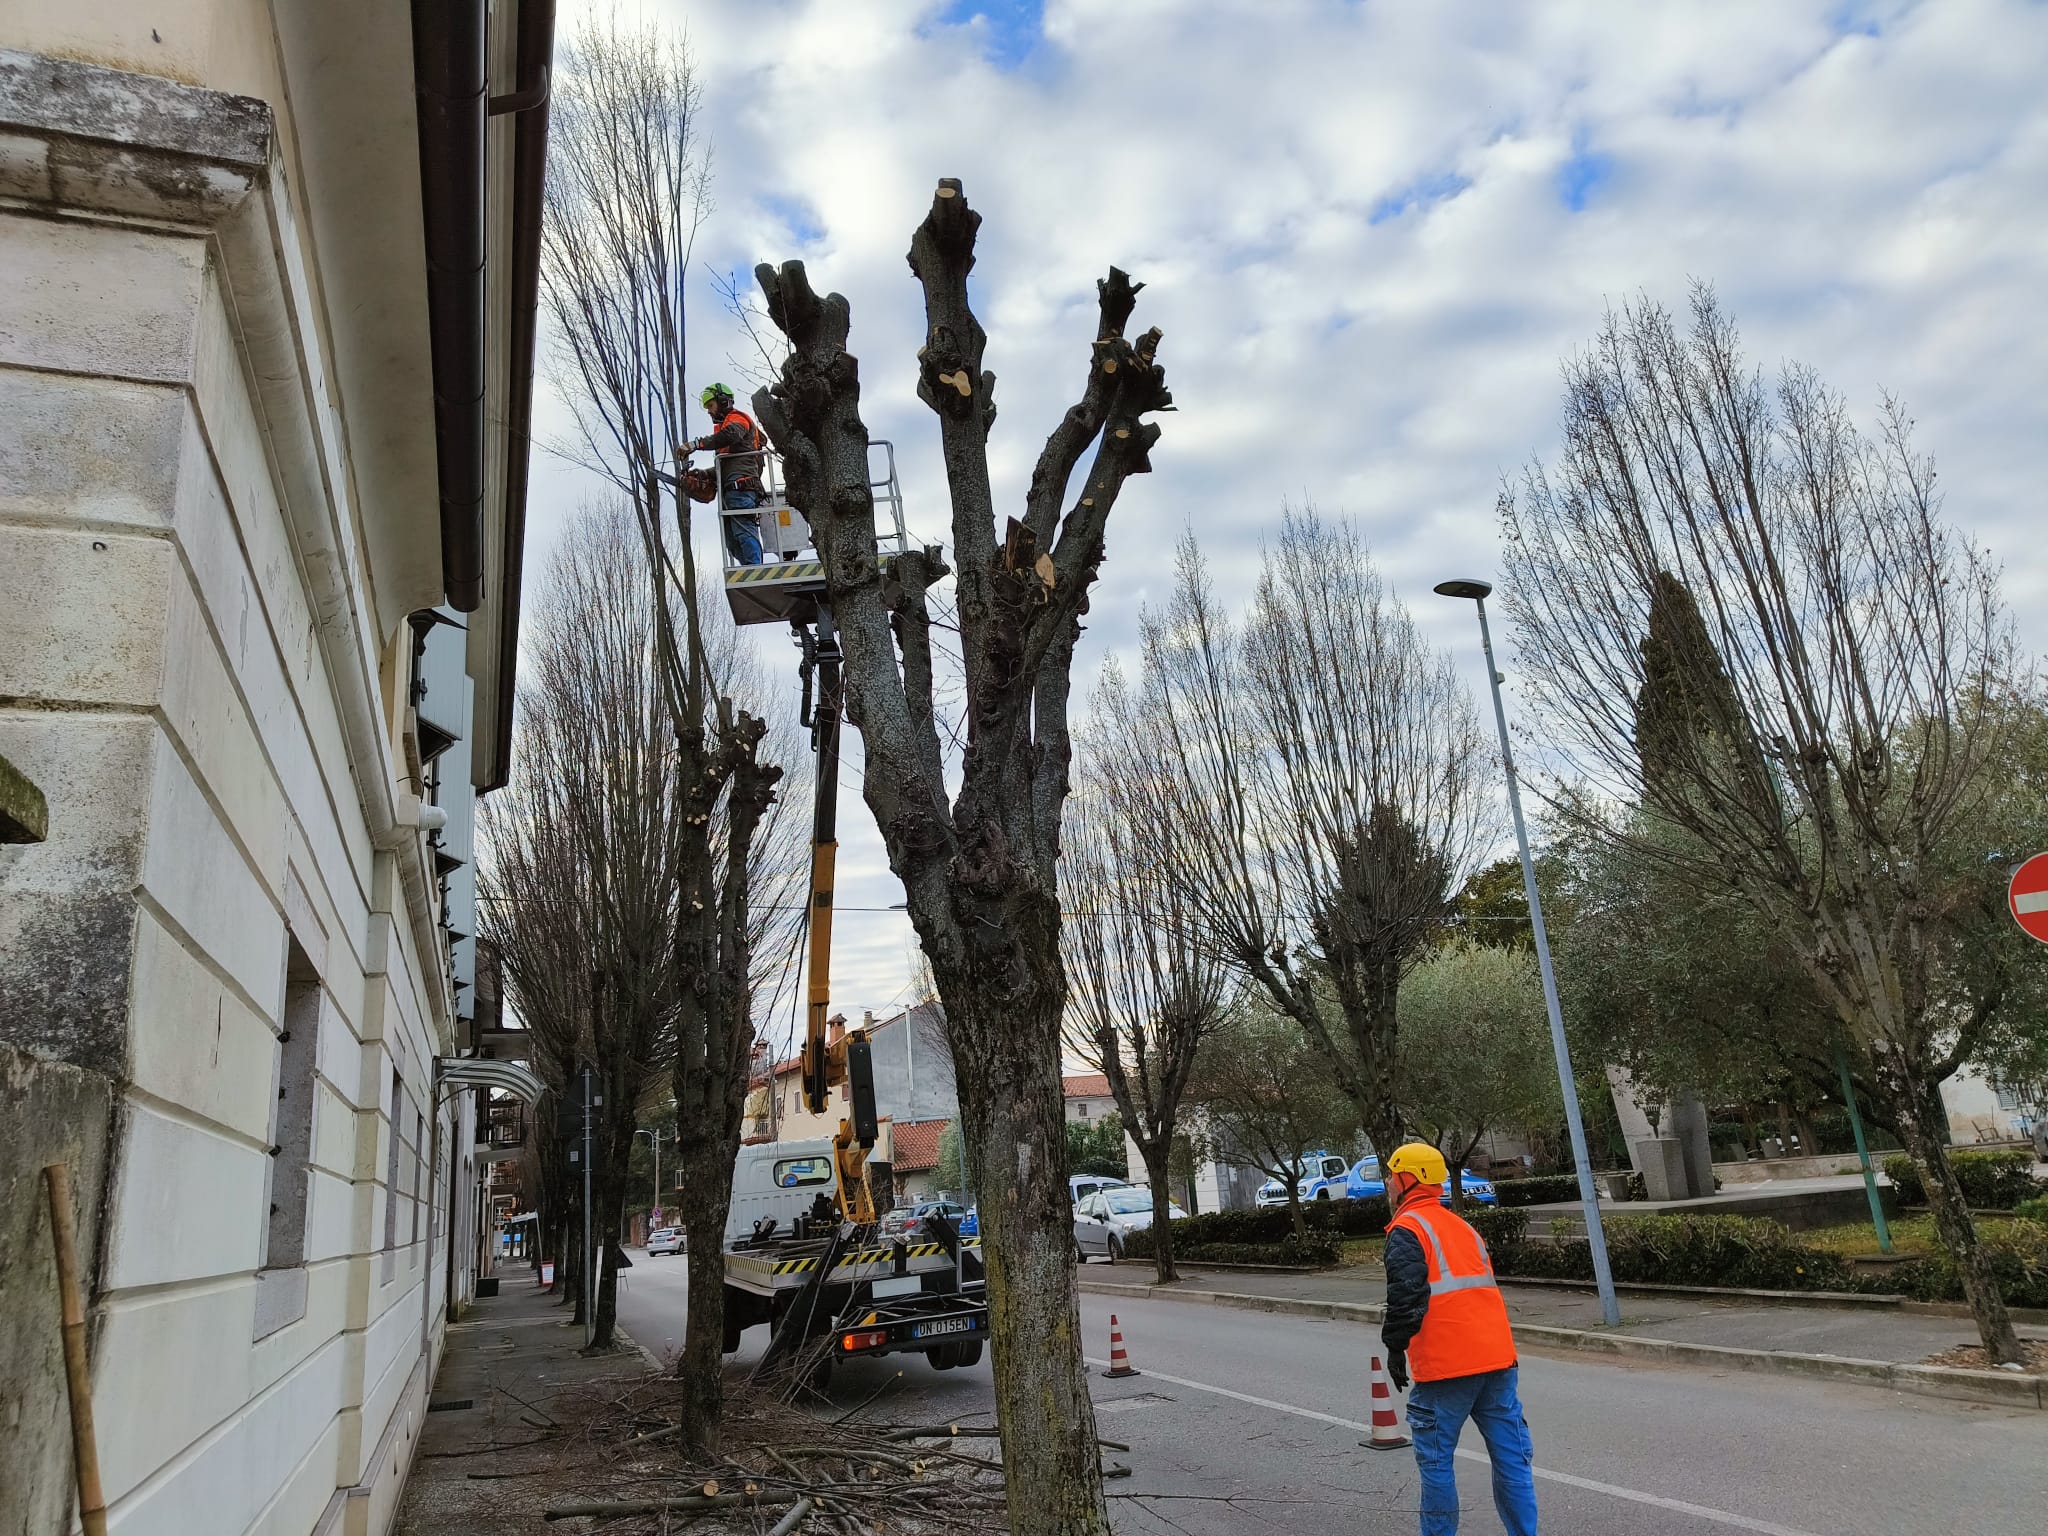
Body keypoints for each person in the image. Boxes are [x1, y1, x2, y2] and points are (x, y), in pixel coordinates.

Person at [1380, 1142, 1537, 1536]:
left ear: (1406, 1180)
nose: (1386, 1182)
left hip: (1446, 1369)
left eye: (1390, 1174)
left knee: (1436, 1465)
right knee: (1513, 1461)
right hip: (1498, 1361)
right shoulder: (1463, 1226)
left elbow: (1406, 1295)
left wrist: (1395, 1346)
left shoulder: (1408, 1228)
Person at [690, 382, 766, 565]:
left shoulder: (737, 419)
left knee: (744, 531)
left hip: (741, 485)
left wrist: (696, 444)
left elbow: (731, 434)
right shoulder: (725, 427)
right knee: (731, 541)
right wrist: (705, 474)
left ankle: (755, 570)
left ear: (723, 401)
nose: (709, 411)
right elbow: (728, 463)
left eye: (711, 405)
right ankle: (750, 568)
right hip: (729, 489)